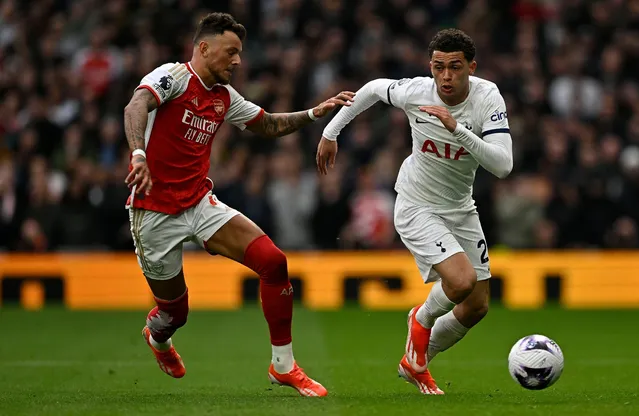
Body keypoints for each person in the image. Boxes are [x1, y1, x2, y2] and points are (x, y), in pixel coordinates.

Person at [123, 12, 354, 397]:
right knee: (175, 313)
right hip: (154, 212)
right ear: (203, 48)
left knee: (273, 262)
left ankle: (283, 366)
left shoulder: (224, 97)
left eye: (240, 53)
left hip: (199, 203)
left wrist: (315, 113)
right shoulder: (174, 77)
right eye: (231, 52)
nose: (238, 61)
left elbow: (269, 124)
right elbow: (136, 106)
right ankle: (158, 337)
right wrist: (138, 155)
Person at [317, 28, 513, 395]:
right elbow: (373, 89)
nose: (446, 76)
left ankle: (416, 360)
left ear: (472, 67)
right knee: (460, 282)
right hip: (416, 204)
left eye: (455, 67)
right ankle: (420, 319)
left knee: (476, 306)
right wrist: (331, 132)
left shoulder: (488, 97)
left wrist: (457, 129)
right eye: (438, 67)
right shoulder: (417, 92)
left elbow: (503, 165)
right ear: (430, 67)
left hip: (460, 208)